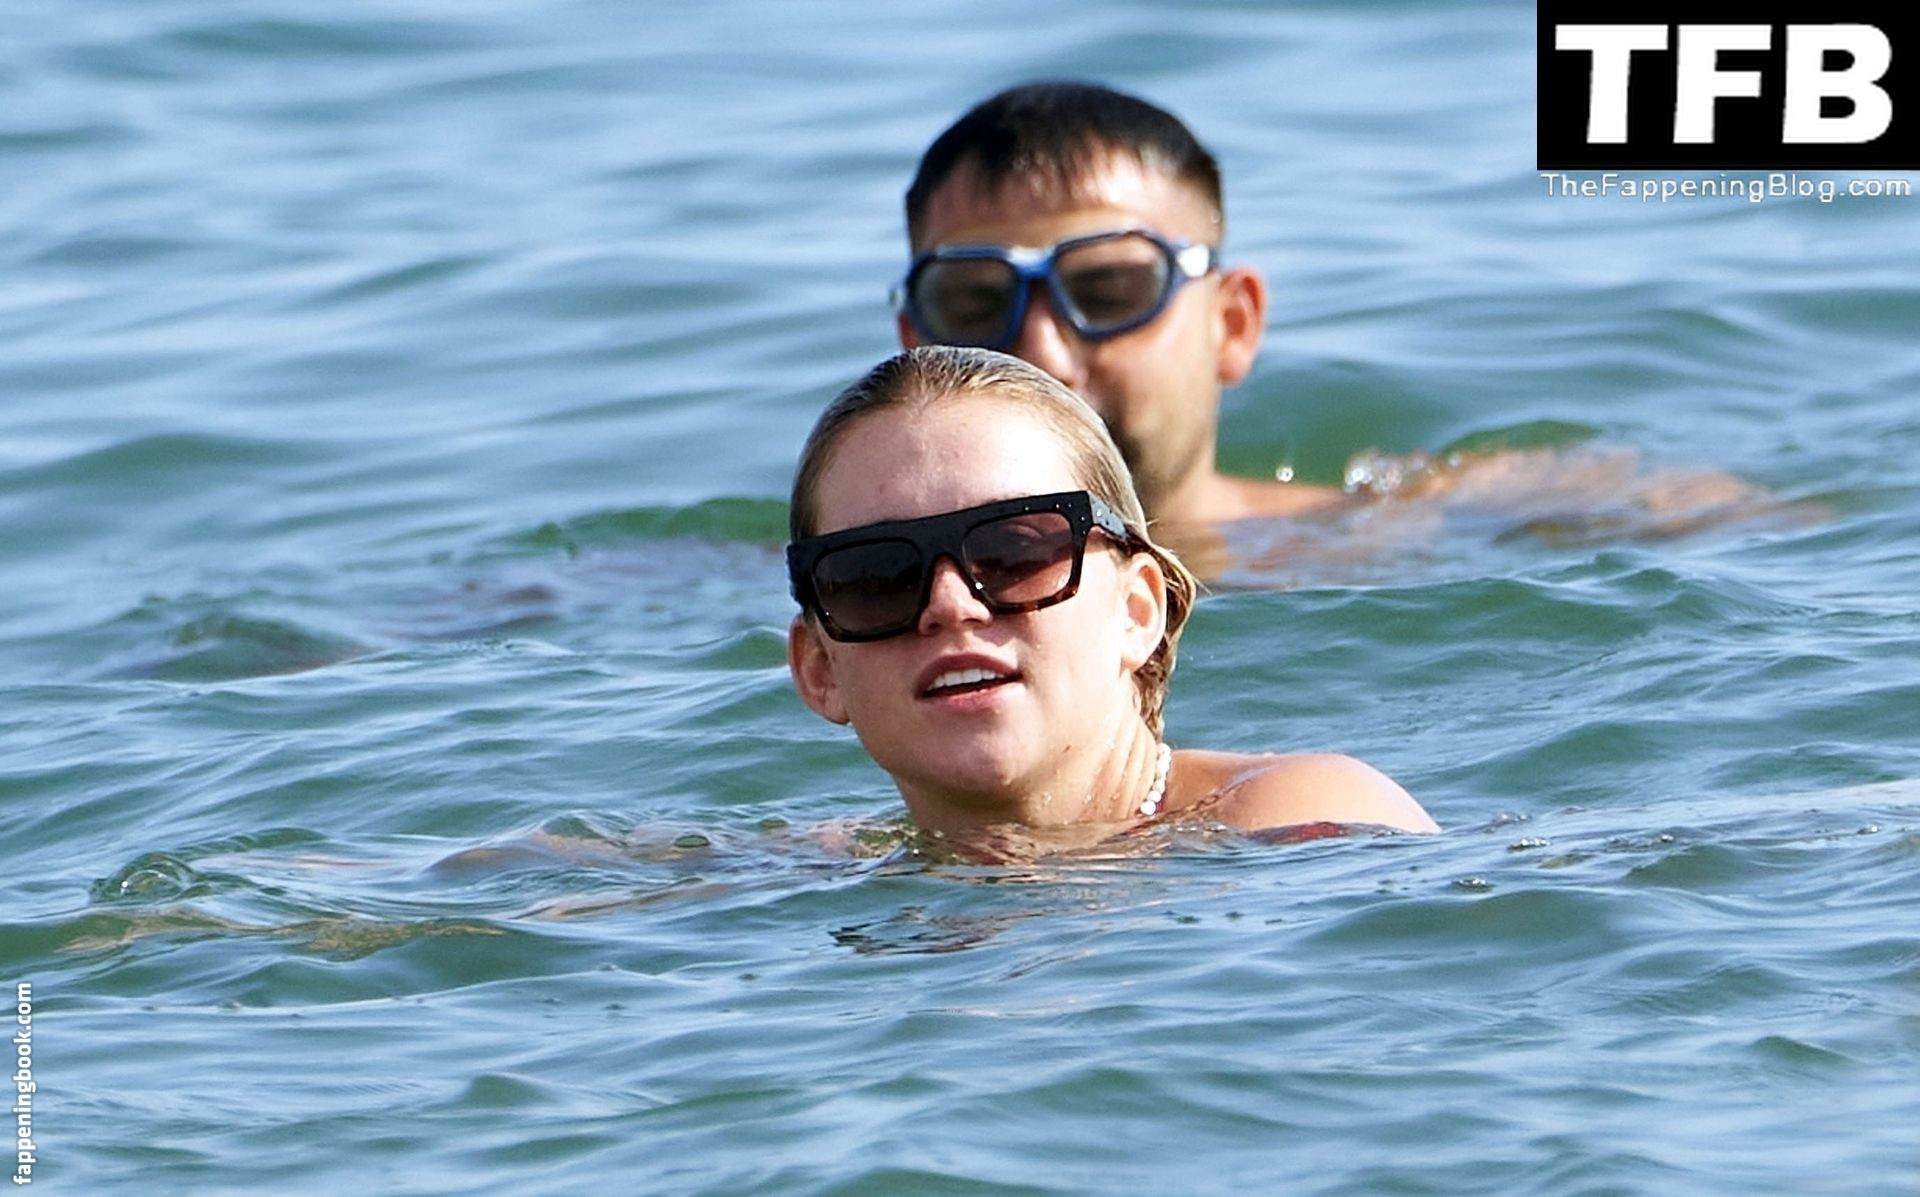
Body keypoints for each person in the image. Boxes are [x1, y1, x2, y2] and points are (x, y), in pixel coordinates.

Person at [784, 345, 1437, 854]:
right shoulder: (821, 871)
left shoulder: (1307, 824)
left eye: (1013, 551)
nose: (951, 604)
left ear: (1136, 610)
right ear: (818, 670)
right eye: (876, 577)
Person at [892, 80, 1339, 535]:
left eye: (1110, 295)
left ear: (1231, 324)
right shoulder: (859, 573)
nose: (1044, 361)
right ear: (916, 355)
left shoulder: (1357, 545)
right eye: (973, 308)